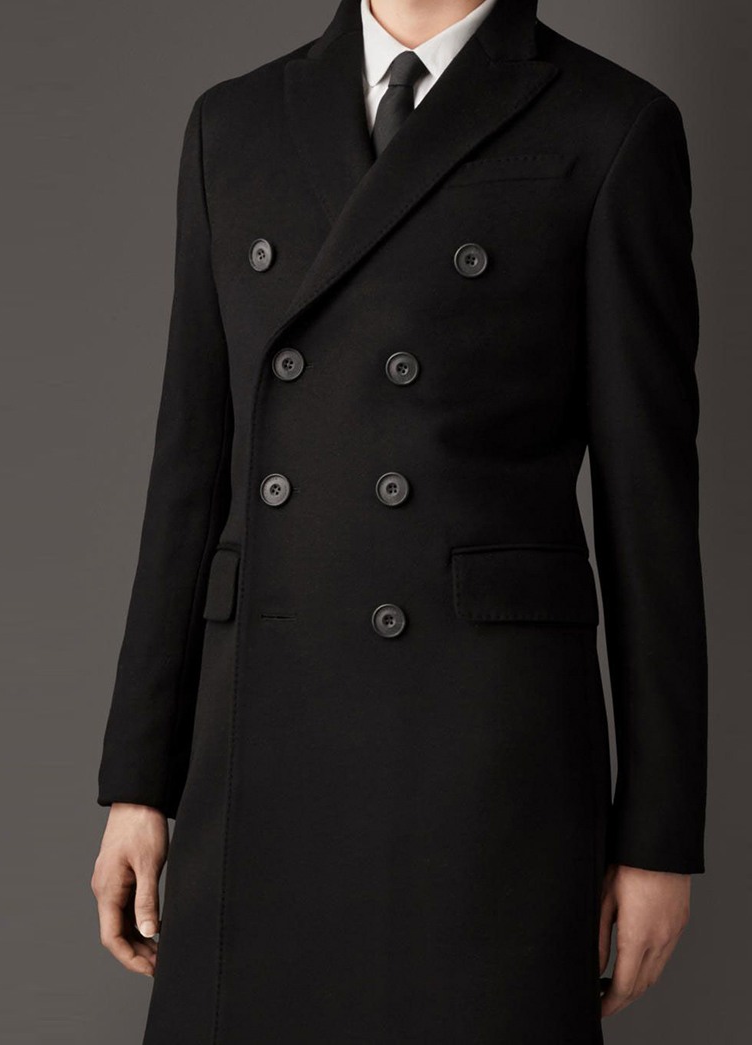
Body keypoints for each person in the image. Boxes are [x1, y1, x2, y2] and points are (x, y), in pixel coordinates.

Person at [90, 0, 707, 1040]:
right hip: (258, 749)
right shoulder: (232, 124)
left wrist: (656, 836)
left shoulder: (611, 124)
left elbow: (651, 513)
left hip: (481, 755)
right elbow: (189, 473)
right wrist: (138, 784)